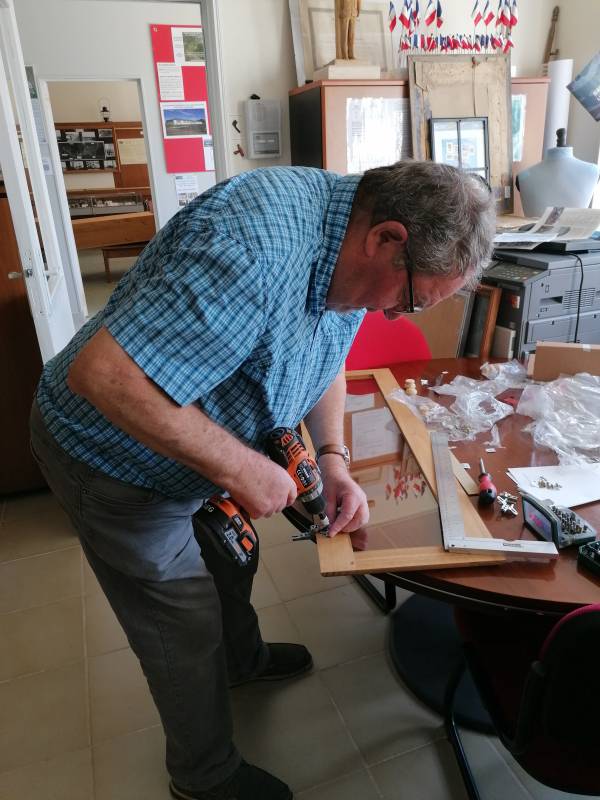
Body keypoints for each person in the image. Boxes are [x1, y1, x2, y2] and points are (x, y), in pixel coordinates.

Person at [30, 161, 495, 800]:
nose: (396, 316)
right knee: (182, 622)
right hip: (114, 455)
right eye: (410, 300)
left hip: (193, 448)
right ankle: (203, 777)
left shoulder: (351, 244)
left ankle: (240, 661)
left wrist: (331, 456)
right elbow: (104, 376)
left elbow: (328, 353)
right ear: (386, 239)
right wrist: (241, 466)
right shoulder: (250, 247)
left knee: (231, 561)